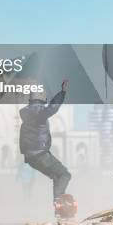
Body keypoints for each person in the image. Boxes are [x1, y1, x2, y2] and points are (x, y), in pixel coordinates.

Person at [19, 80, 71, 212]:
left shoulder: (26, 113)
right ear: (42, 98)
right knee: (64, 174)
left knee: (56, 176)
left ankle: (59, 207)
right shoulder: (38, 112)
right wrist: (62, 92)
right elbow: (52, 108)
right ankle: (59, 203)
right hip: (41, 154)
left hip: (31, 158)